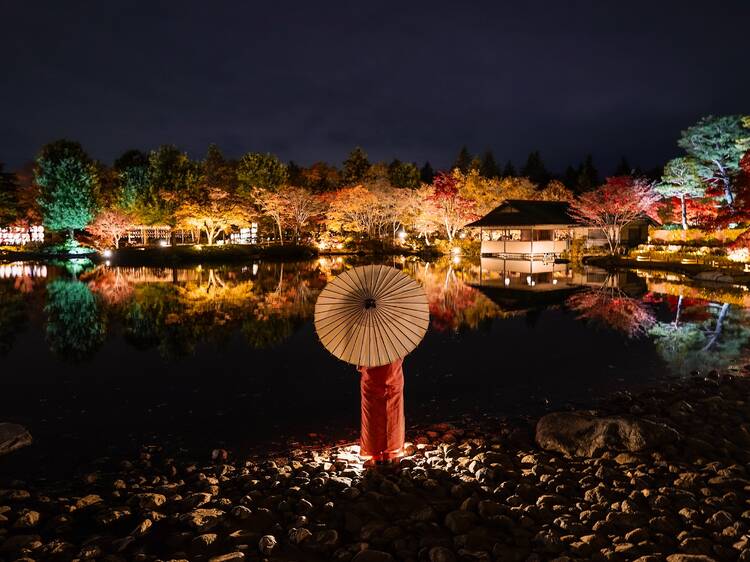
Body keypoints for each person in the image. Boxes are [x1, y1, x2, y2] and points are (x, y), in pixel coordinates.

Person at [357, 358, 405, 466]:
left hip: (371, 377)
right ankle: (391, 454)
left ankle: (376, 456)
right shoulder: (393, 342)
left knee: (372, 415)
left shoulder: (365, 343)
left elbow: (360, 361)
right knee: (394, 413)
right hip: (393, 374)